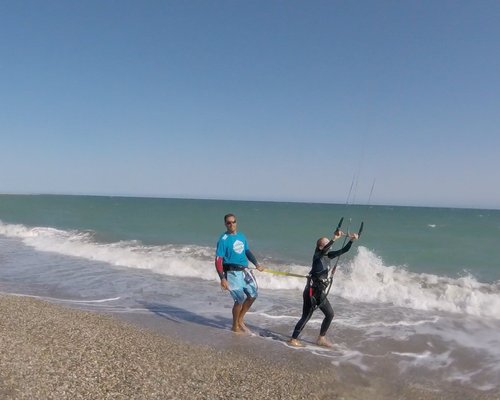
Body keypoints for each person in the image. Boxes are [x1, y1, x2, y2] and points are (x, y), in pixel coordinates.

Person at [288, 228, 359, 348]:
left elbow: (344, 250)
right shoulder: (317, 256)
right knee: (306, 316)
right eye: (326, 243)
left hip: (320, 292)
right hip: (312, 292)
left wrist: (352, 240)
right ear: (320, 247)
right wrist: (334, 238)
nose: (329, 246)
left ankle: (321, 338)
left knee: (330, 314)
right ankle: (293, 339)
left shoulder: (329, 256)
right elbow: (324, 249)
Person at [215, 213, 265, 333]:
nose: (231, 224)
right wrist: (222, 278)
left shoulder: (241, 236)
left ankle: (240, 320)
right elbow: (218, 260)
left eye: (233, 222)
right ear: (225, 224)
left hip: (244, 271)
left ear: (236, 222)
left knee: (253, 295)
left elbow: (247, 251)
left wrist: (257, 264)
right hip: (232, 273)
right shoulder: (223, 240)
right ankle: (235, 325)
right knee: (239, 300)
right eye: (229, 222)